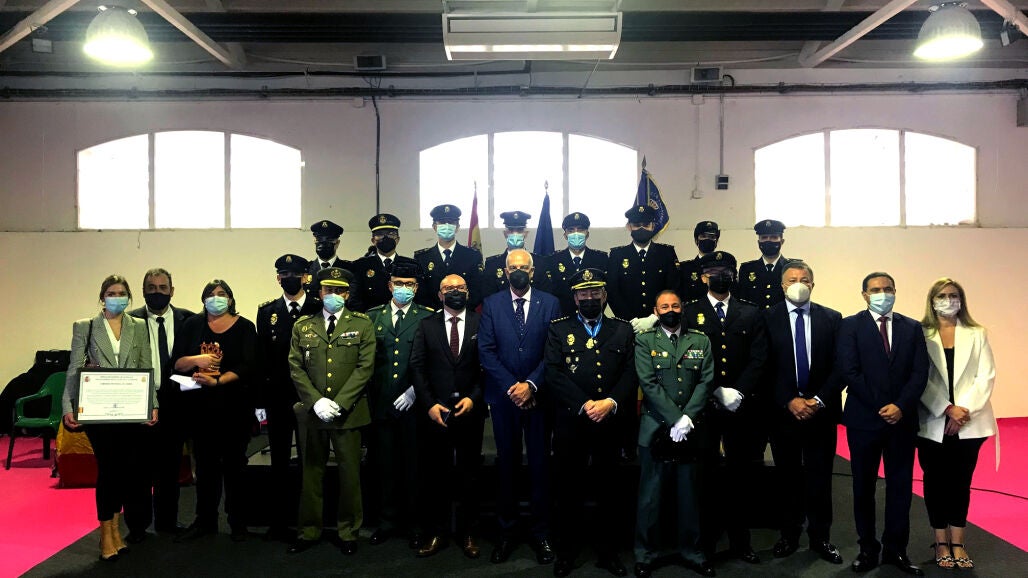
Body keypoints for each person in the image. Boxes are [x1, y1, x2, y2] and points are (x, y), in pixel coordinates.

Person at [836, 272, 929, 576]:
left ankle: (896, 549)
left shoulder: (912, 327)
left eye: (888, 289)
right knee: (863, 487)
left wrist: (901, 406)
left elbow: (920, 372)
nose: (882, 294)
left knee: (900, 487)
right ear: (864, 294)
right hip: (864, 420)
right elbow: (849, 371)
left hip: (901, 421)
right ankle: (867, 549)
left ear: (895, 291)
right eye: (875, 289)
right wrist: (881, 405)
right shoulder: (850, 326)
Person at [545, 268, 636, 577]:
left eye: (595, 292)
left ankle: (608, 552)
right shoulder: (558, 329)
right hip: (572, 422)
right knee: (567, 489)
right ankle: (566, 553)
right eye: (583, 294)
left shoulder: (622, 329)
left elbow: (631, 372)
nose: (589, 298)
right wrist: (584, 405)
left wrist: (610, 402)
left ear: (604, 295)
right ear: (574, 298)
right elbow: (553, 371)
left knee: (609, 490)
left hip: (610, 422)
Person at [63, 274, 156, 561]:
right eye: (112, 293)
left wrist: (152, 404)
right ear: (102, 297)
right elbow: (74, 368)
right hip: (98, 410)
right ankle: (105, 534)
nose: (117, 297)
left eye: (122, 293)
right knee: (108, 470)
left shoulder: (138, 325)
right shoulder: (86, 326)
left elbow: (146, 365)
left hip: (130, 410)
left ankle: (116, 530)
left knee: (125, 471)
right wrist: (68, 407)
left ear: (129, 297)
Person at [681, 251, 766, 565]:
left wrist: (738, 391)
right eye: (714, 271)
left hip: (740, 408)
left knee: (740, 476)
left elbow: (759, 357)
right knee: (705, 476)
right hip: (704, 406)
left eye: (727, 271)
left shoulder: (751, 312)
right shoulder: (690, 312)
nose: (721, 276)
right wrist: (716, 389)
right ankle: (705, 542)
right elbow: (686, 357)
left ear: (734, 275)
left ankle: (741, 541)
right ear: (703, 276)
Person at [478, 248, 562, 565]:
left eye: (523, 267)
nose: (518, 271)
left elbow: (553, 349)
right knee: (507, 466)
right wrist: (513, 387)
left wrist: (531, 385)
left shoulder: (550, 303)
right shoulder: (492, 303)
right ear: (504, 271)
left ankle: (542, 534)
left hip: (539, 398)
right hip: (505, 398)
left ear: (533, 271)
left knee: (540, 466)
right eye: (512, 267)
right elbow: (486, 350)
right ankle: (506, 532)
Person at [286, 267, 375, 556]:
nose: (332, 295)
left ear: (347, 294)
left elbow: (365, 367)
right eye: (328, 290)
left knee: (350, 475)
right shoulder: (303, 326)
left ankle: (348, 532)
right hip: (313, 413)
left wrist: (340, 402)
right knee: (311, 474)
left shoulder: (362, 324)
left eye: (338, 290)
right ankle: (309, 531)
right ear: (320, 292)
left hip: (348, 412)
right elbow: (296, 367)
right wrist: (316, 402)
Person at [760, 261, 844, 564]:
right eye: (792, 279)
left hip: (820, 413)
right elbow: (763, 365)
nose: (799, 284)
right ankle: (789, 534)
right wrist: (789, 400)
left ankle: (821, 537)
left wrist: (818, 400)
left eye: (805, 279)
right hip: (784, 414)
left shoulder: (832, 318)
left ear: (813, 284)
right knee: (788, 477)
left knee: (821, 477)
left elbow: (841, 366)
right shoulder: (766, 318)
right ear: (782, 286)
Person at [916, 278, 996, 570]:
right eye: (942, 295)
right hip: (932, 419)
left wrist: (962, 411)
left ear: (961, 300)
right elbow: (918, 377)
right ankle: (940, 541)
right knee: (935, 481)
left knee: (961, 482)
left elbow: (985, 376)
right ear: (932, 300)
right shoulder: (919, 333)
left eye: (953, 295)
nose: (948, 300)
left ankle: (958, 542)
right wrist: (946, 409)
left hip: (969, 422)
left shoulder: (977, 333)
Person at [633, 290, 714, 578]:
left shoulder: (700, 340)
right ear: (656, 311)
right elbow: (648, 382)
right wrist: (675, 418)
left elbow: (706, 381)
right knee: (650, 497)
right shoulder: (645, 340)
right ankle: (645, 554)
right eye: (664, 306)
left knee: (689, 495)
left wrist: (687, 418)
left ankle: (692, 552)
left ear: (683, 308)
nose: (671, 310)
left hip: (690, 429)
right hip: (656, 427)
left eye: (675, 305)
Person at [172, 279, 258, 543]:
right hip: (201, 409)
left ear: (230, 299)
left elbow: (248, 365)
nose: (216, 298)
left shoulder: (245, 327)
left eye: (222, 294)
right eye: (211, 294)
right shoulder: (192, 325)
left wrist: (219, 381)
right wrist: (196, 360)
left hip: (235, 408)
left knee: (235, 466)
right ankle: (205, 520)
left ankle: (238, 522)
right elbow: (177, 362)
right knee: (205, 466)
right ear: (203, 299)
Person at [409, 273, 486, 560]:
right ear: (440, 295)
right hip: (436, 413)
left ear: (468, 292)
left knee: (470, 475)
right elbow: (417, 367)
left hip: (469, 410)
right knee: (435, 475)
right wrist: (429, 404)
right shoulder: (426, 325)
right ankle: (437, 533)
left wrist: (474, 397)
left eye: (460, 287)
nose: (455, 292)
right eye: (449, 288)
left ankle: (468, 533)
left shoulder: (481, 323)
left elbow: (487, 366)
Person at [365, 262, 434, 549]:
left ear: (416, 288)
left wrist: (415, 391)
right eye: (398, 283)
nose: (403, 288)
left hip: (413, 405)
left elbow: (434, 360)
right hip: (381, 403)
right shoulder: (372, 317)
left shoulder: (427, 317)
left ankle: (415, 524)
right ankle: (386, 522)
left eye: (409, 284)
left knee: (414, 467)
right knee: (385, 466)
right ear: (389, 285)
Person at [255, 254, 322, 541]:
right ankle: (279, 521)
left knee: (312, 462)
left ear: (306, 277)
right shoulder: (267, 311)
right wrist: (260, 401)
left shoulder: (319, 307)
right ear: (278, 278)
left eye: (295, 274)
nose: (289, 278)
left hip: (311, 396)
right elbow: (262, 358)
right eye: (284, 274)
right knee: (279, 462)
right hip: (278, 396)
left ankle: (310, 521)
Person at [128, 268, 194, 537]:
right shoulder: (129, 321)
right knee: (138, 468)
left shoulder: (188, 320)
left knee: (169, 467)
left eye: (163, 287)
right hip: (140, 401)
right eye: (152, 288)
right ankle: (137, 526)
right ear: (144, 292)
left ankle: (167, 522)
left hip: (176, 402)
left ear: (172, 291)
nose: (157, 292)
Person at [606, 204, 680, 327]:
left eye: (646, 225)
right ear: (629, 227)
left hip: (661, 323)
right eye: (637, 225)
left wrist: (655, 317)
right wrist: (630, 320)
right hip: (628, 325)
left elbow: (673, 288)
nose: (642, 228)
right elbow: (613, 292)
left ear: (653, 226)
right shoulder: (617, 255)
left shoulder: (666, 253)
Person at [413, 204, 484, 310]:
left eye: (451, 222)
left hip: (463, 314)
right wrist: (437, 313)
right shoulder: (422, 258)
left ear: (457, 227)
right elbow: (420, 292)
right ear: (434, 227)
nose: (447, 226)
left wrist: (458, 311)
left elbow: (477, 291)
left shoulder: (472, 255)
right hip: (432, 315)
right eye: (442, 222)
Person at [347, 213, 418, 312]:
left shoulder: (412, 265)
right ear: (373, 240)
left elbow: (419, 298)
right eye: (380, 234)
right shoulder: (360, 266)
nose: (385, 238)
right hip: (370, 319)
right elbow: (354, 300)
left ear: (397, 239)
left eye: (391, 234)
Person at [481, 210, 554, 300]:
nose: (515, 234)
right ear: (505, 233)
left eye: (519, 230)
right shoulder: (492, 265)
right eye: (511, 230)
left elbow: (546, 297)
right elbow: (488, 299)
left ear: (525, 233)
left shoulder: (540, 262)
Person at [548, 212, 608, 316]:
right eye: (571, 230)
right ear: (565, 235)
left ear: (587, 234)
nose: (576, 234)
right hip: (562, 319)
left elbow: (606, 291)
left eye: (580, 229)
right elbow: (551, 293)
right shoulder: (553, 260)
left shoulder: (601, 259)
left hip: (593, 317)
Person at [736, 220, 795, 310]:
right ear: (758, 242)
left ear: (782, 241)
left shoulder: (792, 268)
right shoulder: (747, 269)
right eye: (764, 237)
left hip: (783, 318)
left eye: (774, 237)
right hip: (755, 318)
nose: (768, 240)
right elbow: (742, 301)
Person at [678, 221, 721, 303]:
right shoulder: (684, 269)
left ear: (716, 241)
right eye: (703, 236)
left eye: (712, 237)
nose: (707, 239)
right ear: (696, 240)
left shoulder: (725, 268)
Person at [306, 220, 350, 292]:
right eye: (320, 239)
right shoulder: (306, 269)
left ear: (337, 243)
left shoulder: (348, 270)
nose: (324, 243)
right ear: (315, 241)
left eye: (329, 240)